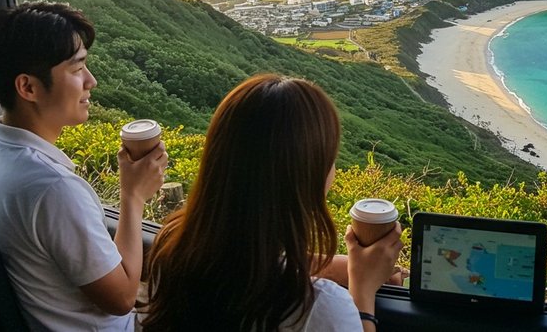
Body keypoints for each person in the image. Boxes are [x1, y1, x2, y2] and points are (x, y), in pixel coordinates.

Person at [142, 75, 402, 332]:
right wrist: (363, 289)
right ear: (306, 178)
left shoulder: (172, 248)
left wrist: (341, 266)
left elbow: (248, 259)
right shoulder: (320, 307)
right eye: (329, 160)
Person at [0, 2, 167, 331]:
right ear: (28, 87)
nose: (91, 81)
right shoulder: (52, 188)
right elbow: (121, 299)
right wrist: (133, 196)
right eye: (77, 69)